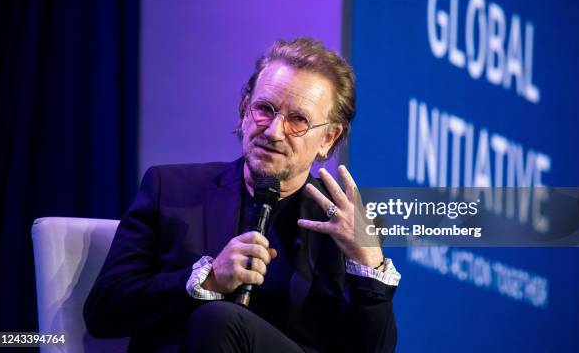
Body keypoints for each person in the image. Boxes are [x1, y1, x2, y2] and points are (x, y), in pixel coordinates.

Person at [84, 37, 400, 352]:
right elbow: (103, 311)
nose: (274, 131)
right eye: (265, 109)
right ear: (244, 109)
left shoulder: (346, 225)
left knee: (221, 321)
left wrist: (369, 263)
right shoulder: (171, 190)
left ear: (328, 139)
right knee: (217, 320)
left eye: (298, 120)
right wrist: (206, 281)